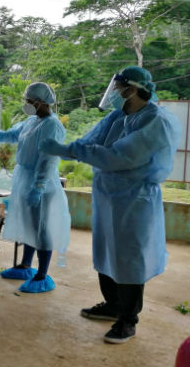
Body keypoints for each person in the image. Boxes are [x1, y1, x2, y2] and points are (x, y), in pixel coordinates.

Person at [40, 66, 181, 344]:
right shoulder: (118, 116)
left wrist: (73, 151)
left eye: (118, 88)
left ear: (132, 88)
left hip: (135, 199)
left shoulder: (156, 120)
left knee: (128, 257)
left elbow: (120, 157)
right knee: (106, 250)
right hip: (109, 196)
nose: (114, 93)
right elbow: (90, 142)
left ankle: (128, 320)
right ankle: (113, 304)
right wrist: (66, 148)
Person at [0, 82, 70, 293]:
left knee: (42, 229)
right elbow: (13, 134)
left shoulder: (52, 126)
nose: (27, 105)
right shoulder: (31, 121)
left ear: (41, 102)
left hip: (43, 183)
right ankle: (25, 265)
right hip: (25, 178)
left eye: (30, 102)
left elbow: (48, 160)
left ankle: (42, 275)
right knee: (30, 225)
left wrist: (38, 187)